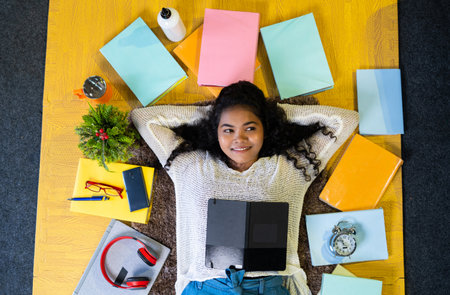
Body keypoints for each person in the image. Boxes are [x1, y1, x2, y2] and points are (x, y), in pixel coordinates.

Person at [131, 81, 359, 295]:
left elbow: (345, 120)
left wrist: (271, 114)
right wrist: (213, 115)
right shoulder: (190, 165)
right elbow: (143, 118)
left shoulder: (290, 168)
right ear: (216, 131)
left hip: (268, 286)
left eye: (250, 128)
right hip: (208, 287)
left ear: (265, 129)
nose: (239, 138)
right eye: (228, 130)